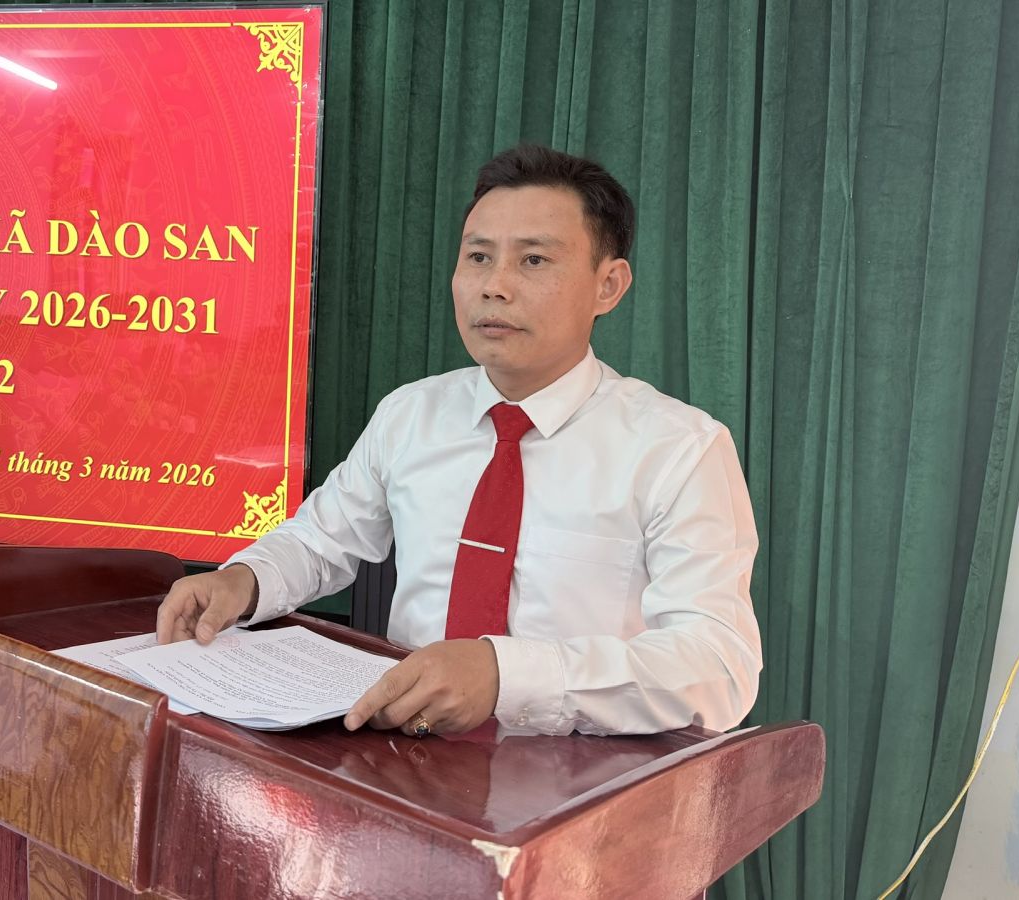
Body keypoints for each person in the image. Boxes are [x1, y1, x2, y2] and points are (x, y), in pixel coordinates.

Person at [155, 144, 762, 738]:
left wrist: (507, 675)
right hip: (401, 754)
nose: (494, 285)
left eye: (533, 260)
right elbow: (321, 541)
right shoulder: (412, 413)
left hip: (577, 778)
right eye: (477, 257)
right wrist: (245, 580)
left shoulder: (679, 449)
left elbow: (718, 665)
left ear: (608, 285)